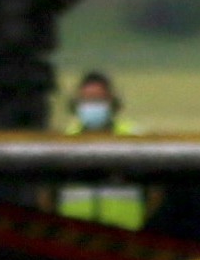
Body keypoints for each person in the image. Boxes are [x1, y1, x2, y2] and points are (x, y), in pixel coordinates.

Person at [60, 68, 146, 229]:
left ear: (112, 103)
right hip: (74, 234)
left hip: (126, 231)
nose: (92, 106)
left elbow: (155, 191)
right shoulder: (65, 141)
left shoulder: (132, 138)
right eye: (87, 101)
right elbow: (46, 194)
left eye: (98, 100)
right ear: (77, 104)